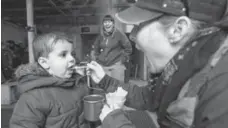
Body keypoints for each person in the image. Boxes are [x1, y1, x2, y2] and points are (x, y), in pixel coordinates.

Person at [87, 0, 228, 127]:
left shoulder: (220, 90)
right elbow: (146, 96)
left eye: (139, 26)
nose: (133, 37)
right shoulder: (179, 71)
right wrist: (104, 80)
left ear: (177, 30)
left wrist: (115, 122)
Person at [10, 32, 89, 128]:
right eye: (63, 55)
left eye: (72, 54)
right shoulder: (33, 98)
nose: (72, 59)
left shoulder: (79, 84)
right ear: (44, 62)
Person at [92, 15, 132, 82]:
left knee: (117, 87)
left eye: (109, 22)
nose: (107, 24)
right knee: (105, 88)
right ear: (103, 24)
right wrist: (98, 58)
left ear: (113, 23)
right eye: (105, 22)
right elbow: (96, 48)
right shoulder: (101, 36)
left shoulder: (119, 34)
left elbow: (128, 48)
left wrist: (122, 59)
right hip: (104, 66)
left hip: (116, 65)